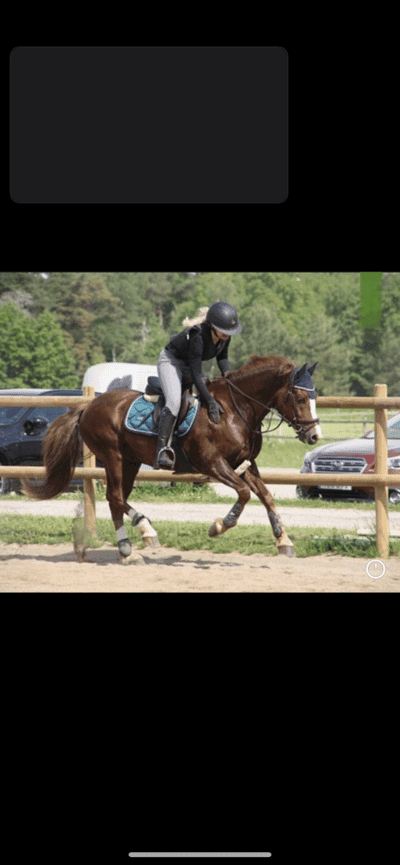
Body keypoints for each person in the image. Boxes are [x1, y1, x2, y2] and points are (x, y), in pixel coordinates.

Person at [154, 301, 242, 469]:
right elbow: (195, 373)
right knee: (173, 402)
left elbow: (222, 358)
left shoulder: (224, 336)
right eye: (224, 331)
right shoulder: (198, 336)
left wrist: (229, 378)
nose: (227, 335)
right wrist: (209, 400)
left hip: (189, 365)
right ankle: (162, 450)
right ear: (212, 326)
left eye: (229, 332)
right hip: (171, 362)